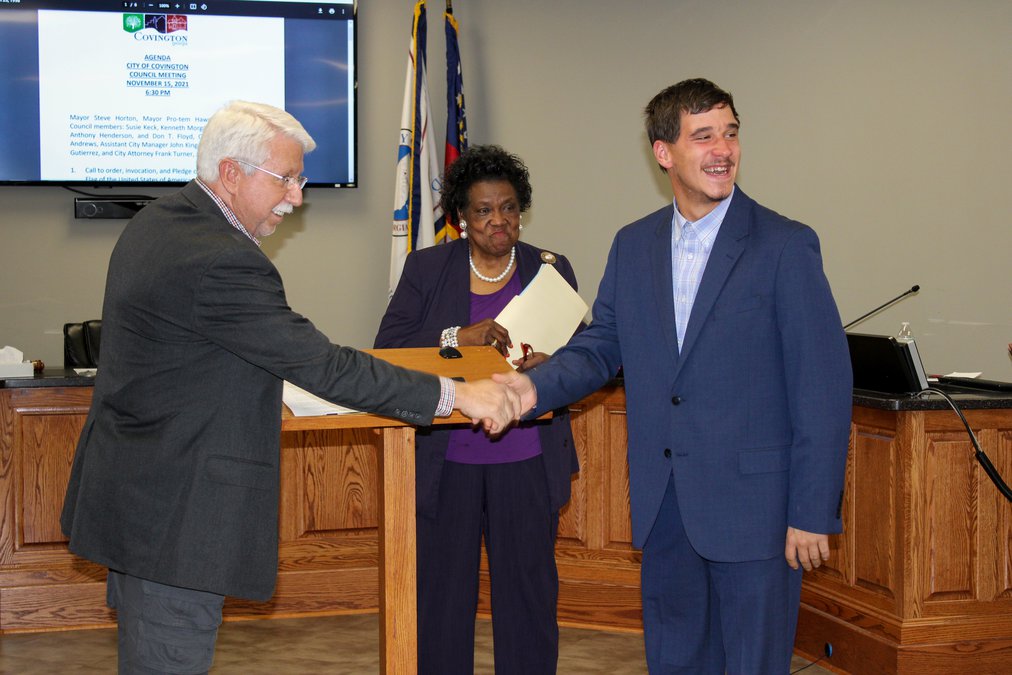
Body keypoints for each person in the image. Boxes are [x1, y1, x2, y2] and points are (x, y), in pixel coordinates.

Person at [59, 101, 519, 674]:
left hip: (139, 502)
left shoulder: (160, 222)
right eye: (286, 179)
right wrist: (457, 394)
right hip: (176, 520)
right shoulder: (219, 259)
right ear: (231, 173)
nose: (297, 198)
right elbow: (322, 365)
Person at [497, 79, 853, 673]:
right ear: (664, 152)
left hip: (758, 515)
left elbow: (822, 388)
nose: (723, 150)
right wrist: (530, 389)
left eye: (730, 134)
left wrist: (812, 511)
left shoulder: (786, 246)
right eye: (703, 136)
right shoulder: (633, 245)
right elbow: (601, 346)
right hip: (666, 510)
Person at [375, 145, 581, 675]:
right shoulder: (427, 268)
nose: (498, 220)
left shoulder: (550, 268)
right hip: (447, 463)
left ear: (521, 209)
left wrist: (551, 365)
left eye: (508, 208)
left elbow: (583, 356)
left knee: (529, 596)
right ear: (461, 217)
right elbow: (389, 349)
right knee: (441, 599)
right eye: (484, 210)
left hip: (527, 459)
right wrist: (456, 337)